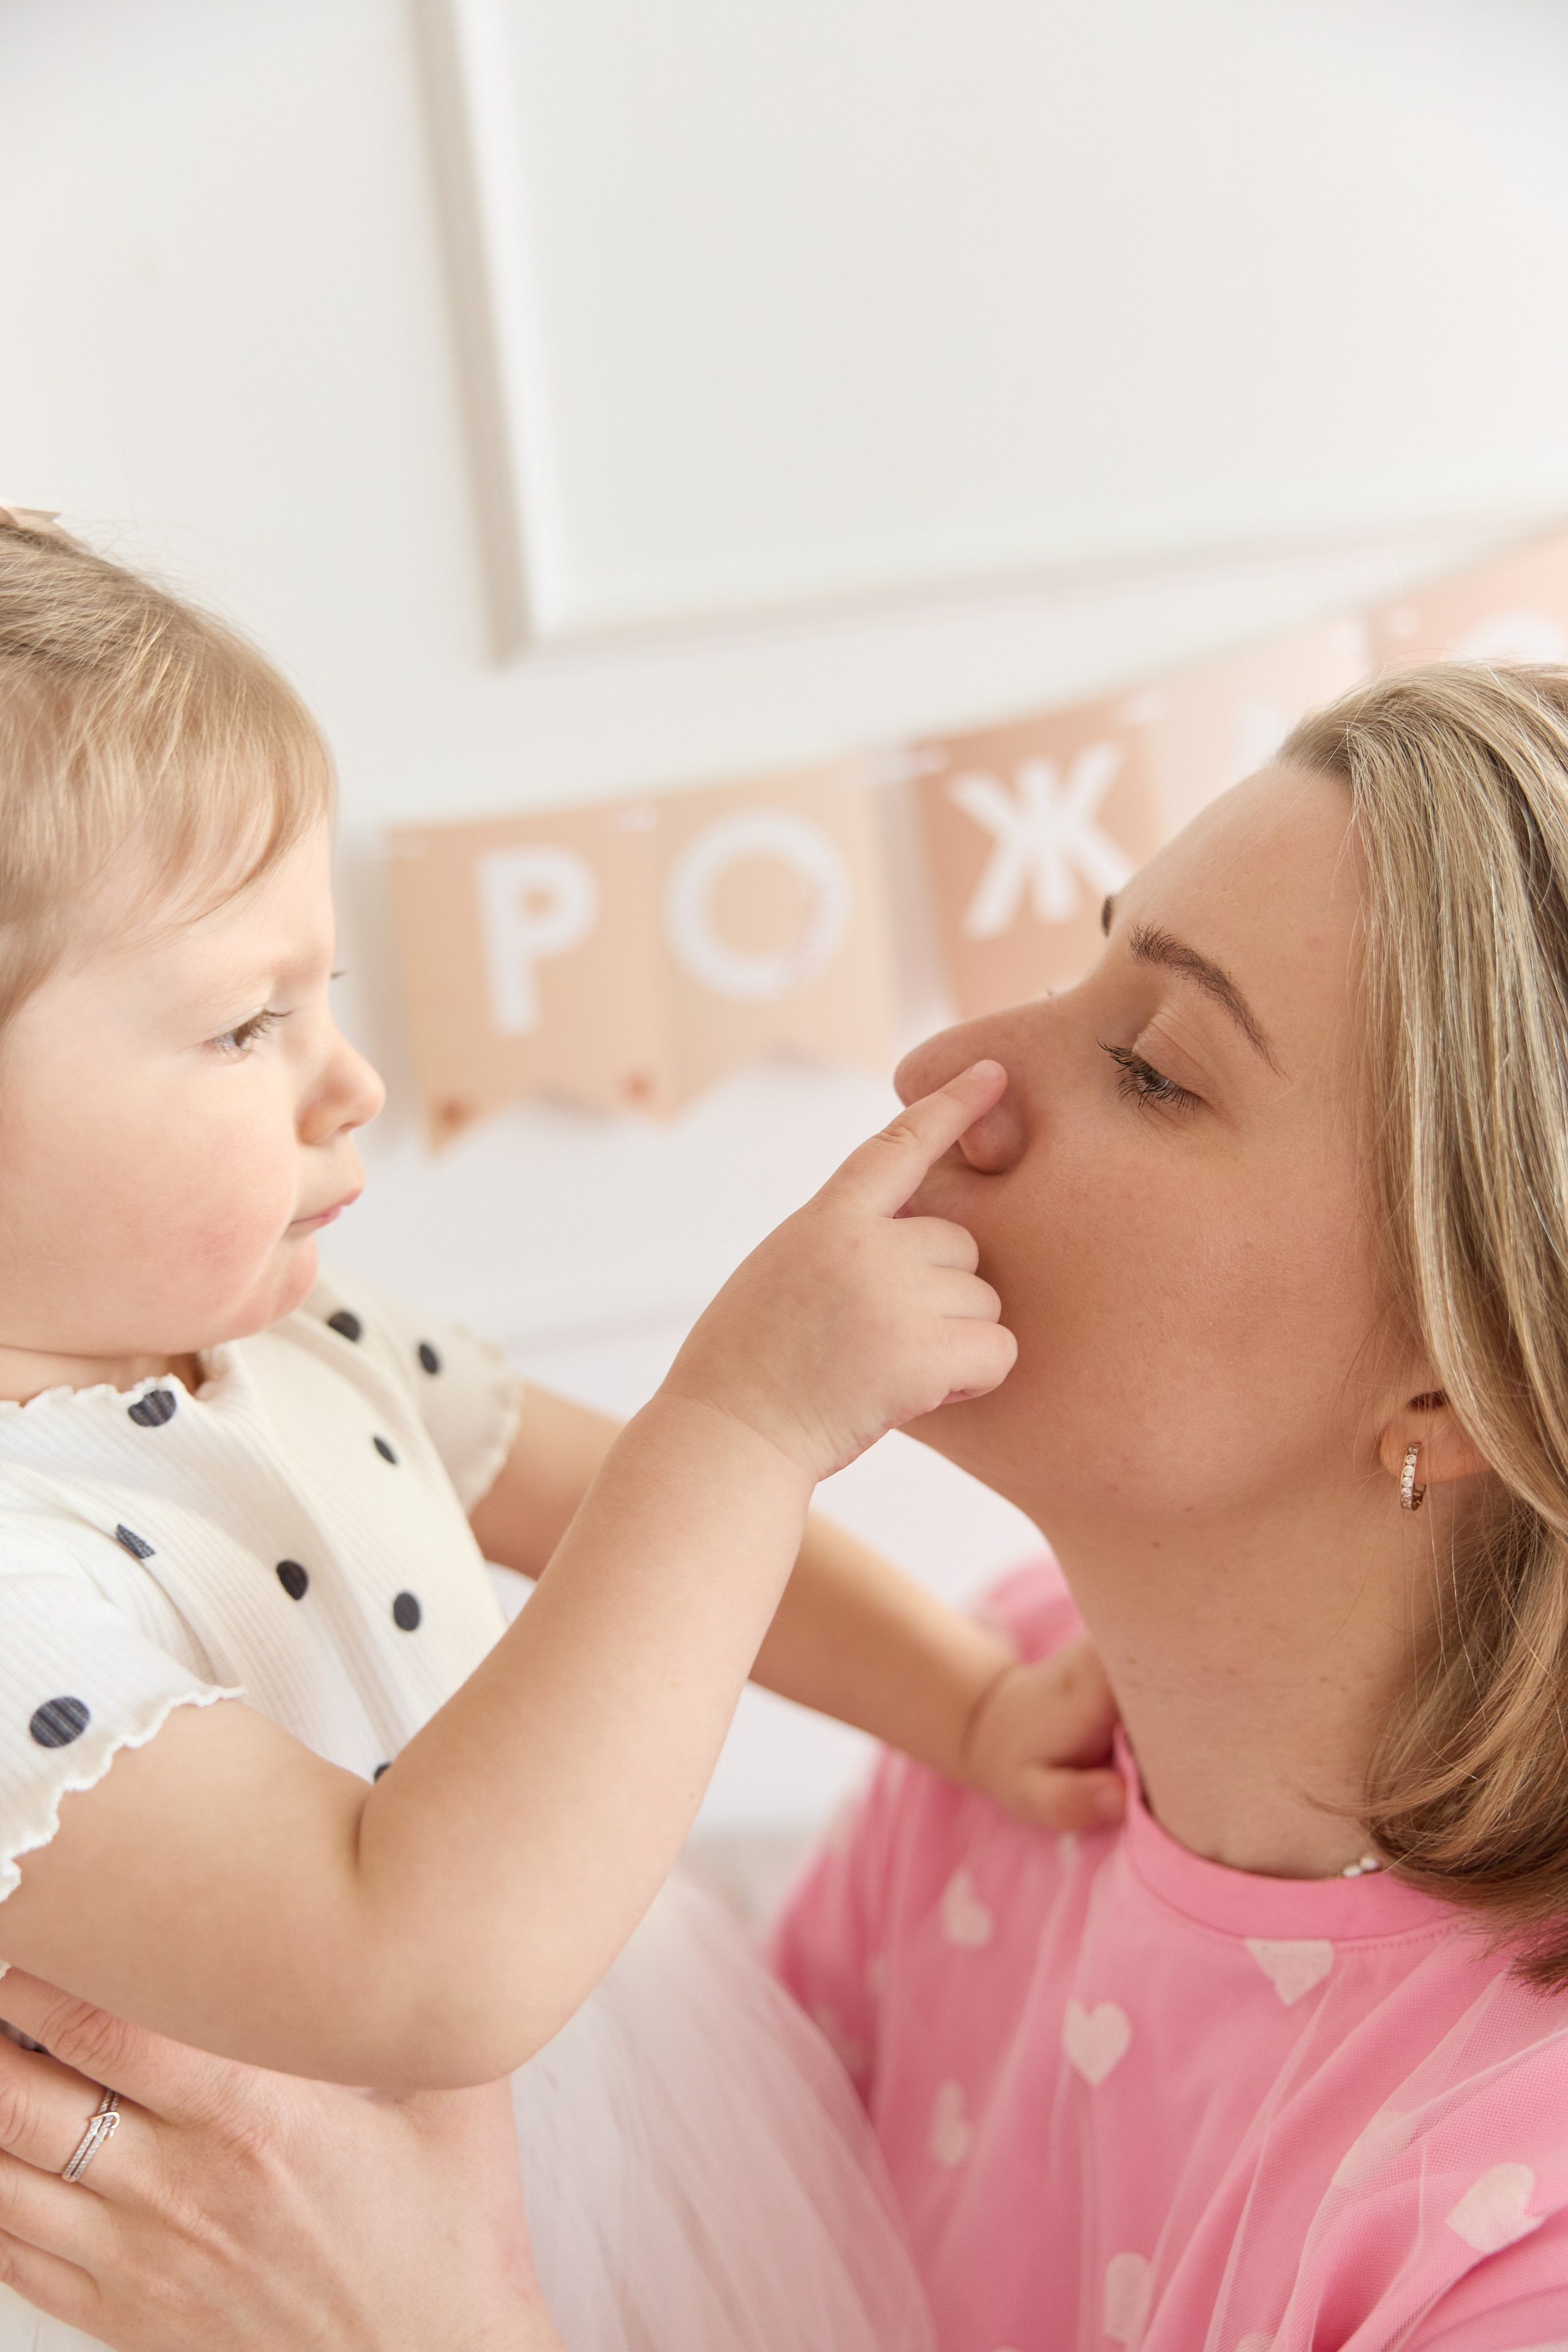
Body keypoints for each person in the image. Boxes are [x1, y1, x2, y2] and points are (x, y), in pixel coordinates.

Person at [0, 510, 1122, 2352]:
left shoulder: (295, 1335)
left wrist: (966, 1700)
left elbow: (624, 1533)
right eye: (244, 1027)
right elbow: (420, 1964)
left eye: (327, 995)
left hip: (609, 2133)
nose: (347, 1079)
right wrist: (748, 1418)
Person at [775, 661, 1568, 2348]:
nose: (946, 1067)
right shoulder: (999, 1728)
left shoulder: (1521, 2235)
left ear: (1458, 1383)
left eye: (1150, 1066)